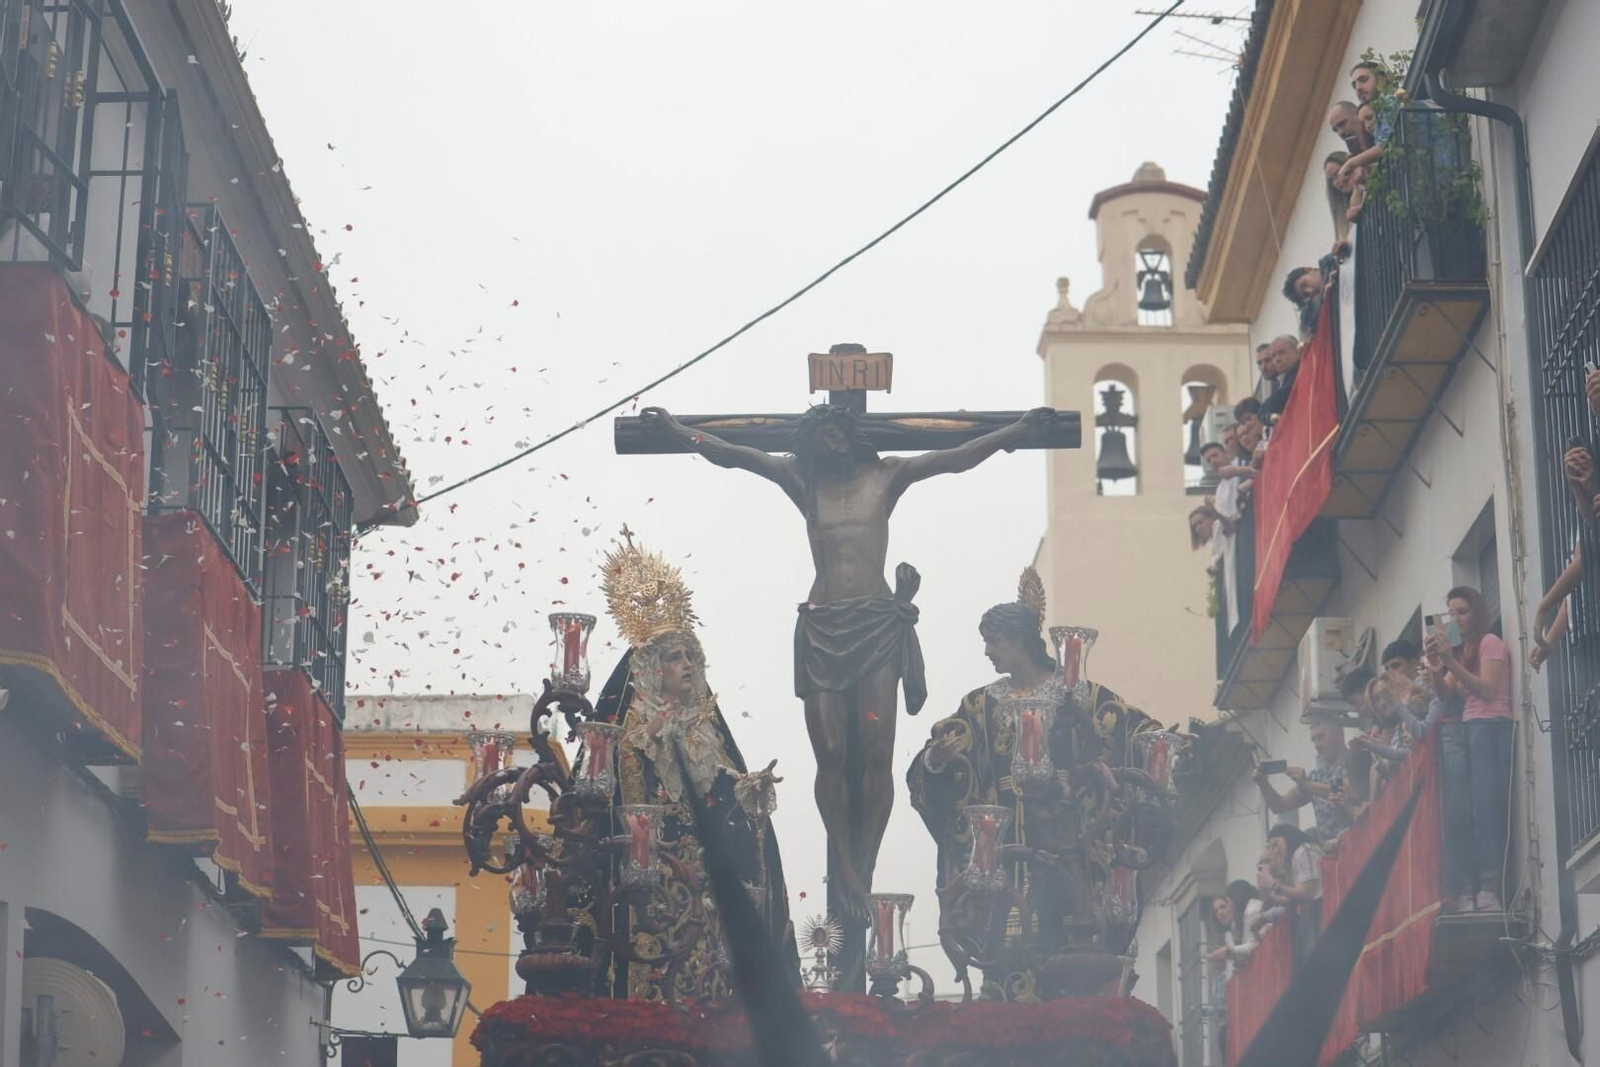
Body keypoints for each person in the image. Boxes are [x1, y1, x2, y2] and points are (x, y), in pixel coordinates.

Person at [643, 395, 1052, 918]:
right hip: (822, 628)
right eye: (819, 440)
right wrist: (679, 431)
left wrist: (1014, 429)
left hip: (877, 626)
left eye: (835, 436)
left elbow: (956, 456)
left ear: (850, 435)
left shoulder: (887, 476)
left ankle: (866, 860)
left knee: (876, 753)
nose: (829, 446)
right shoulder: (803, 483)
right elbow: (734, 454)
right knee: (830, 754)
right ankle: (845, 861)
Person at [591, 534, 798, 1000]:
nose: (686, 665)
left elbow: (725, 810)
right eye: (674, 657)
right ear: (649, 668)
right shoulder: (628, 739)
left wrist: (748, 799)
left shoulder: (710, 740)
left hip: (710, 893)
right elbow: (602, 812)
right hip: (650, 891)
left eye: (691, 656)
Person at [907, 568, 1114, 998]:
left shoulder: (1081, 697)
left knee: (1068, 966)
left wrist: (1162, 751)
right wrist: (936, 762)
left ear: (1019, 641)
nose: (987, 652)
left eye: (993, 642)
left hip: (1063, 850)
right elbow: (934, 761)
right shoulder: (979, 704)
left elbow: (1121, 735)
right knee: (1005, 969)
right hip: (999, 861)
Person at [1425, 586, 1513, 911]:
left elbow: (1488, 690)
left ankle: (1489, 887)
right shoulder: (1462, 653)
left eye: (1462, 612)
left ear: (1476, 612)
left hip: (1491, 727)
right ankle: (1471, 888)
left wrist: (1452, 662)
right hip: (1470, 730)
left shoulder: (1490, 642)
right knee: (1465, 813)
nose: (1457, 619)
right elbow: (1445, 695)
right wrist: (1437, 667)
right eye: (1451, 613)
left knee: (1485, 811)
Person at [1253, 717, 1353, 845]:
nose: (1316, 745)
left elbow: (1344, 791)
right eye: (1313, 740)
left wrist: (1307, 784)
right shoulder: (1317, 776)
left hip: (1358, 839)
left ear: (1339, 735)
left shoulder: (1356, 759)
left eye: (1321, 737)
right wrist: (1262, 783)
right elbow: (1280, 806)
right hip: (1333, 850)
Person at [1260, 824, 1324, 965]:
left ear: (1287, 836)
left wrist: (1275, 886)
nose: (1275, 851)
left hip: (1318, 911)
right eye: (1271, 847)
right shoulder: (1295, 857)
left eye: (1276, 844)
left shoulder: (1304, 850)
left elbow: (1308, 892)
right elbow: (1291, 899)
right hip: (1308, 915)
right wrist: (1268, 893)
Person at [1206, 880, 1264, 967]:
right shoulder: (1234, 926)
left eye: (1223, 906)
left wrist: (1228, 951)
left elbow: (1253, 945)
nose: (1220, 913)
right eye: (1216, 911)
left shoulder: (1252, 910)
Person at [1259, 336, 1304, 423]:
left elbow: (1277, 400)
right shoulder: (1281, 380)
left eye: (1281, 353)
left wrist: (1264, 412)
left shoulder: (1299, 372)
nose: (1277, 359)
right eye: (1273, 356)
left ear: (1297, 352)